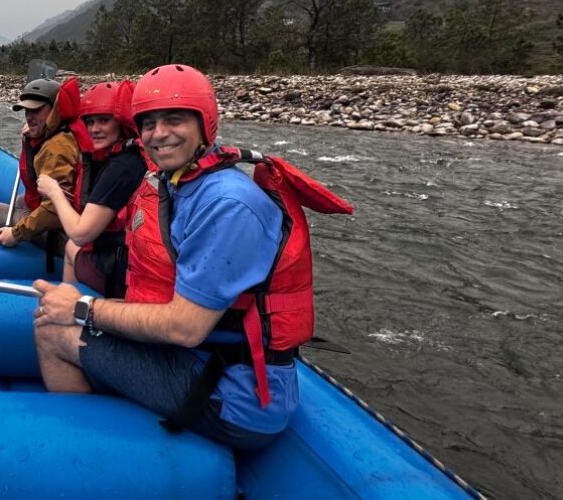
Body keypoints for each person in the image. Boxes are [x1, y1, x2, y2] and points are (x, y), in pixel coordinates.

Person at [32, 64, 352, 449]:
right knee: (87, 318)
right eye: (148, 123)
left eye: (174, 119)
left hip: (229, 394)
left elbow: (185, 327)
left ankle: (85, 458)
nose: (158, 133)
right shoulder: (184, 182)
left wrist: (83, 308)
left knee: (51, 332)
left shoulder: (226, 204)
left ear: (206, 123)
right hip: (205, 358)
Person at [36, 80, 147, 298]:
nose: (95, 129)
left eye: (104, 121)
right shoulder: (129, 157)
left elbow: (81, 235)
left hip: (119, 270)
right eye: (90, 122)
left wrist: (54, 192)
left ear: (120, 123)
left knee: (71, 247)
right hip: (127, 258)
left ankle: (70, 308)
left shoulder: (122, 168)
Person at [0, 77, 89, 249]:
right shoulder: (58, 132)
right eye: (27, 111)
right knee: (20, 201)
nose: (29, 117)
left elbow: (53, 210)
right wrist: (32, 137)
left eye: (37, 110)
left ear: (55, 110)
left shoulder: (58, 146)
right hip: (65, 218)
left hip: (63, 233)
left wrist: (16, 234)